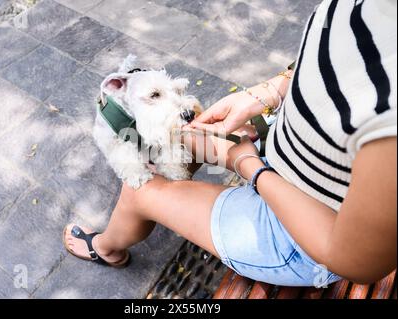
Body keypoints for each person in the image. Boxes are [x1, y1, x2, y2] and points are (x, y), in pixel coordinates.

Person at [63, 0, 396, 286]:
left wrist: (245, 165)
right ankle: (177, 198)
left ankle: (107, 247)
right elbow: (338, 60)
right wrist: (265, 94)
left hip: (299, 238)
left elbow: (354, 261)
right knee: (188, 134)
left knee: (137, 189)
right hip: (282, 148)